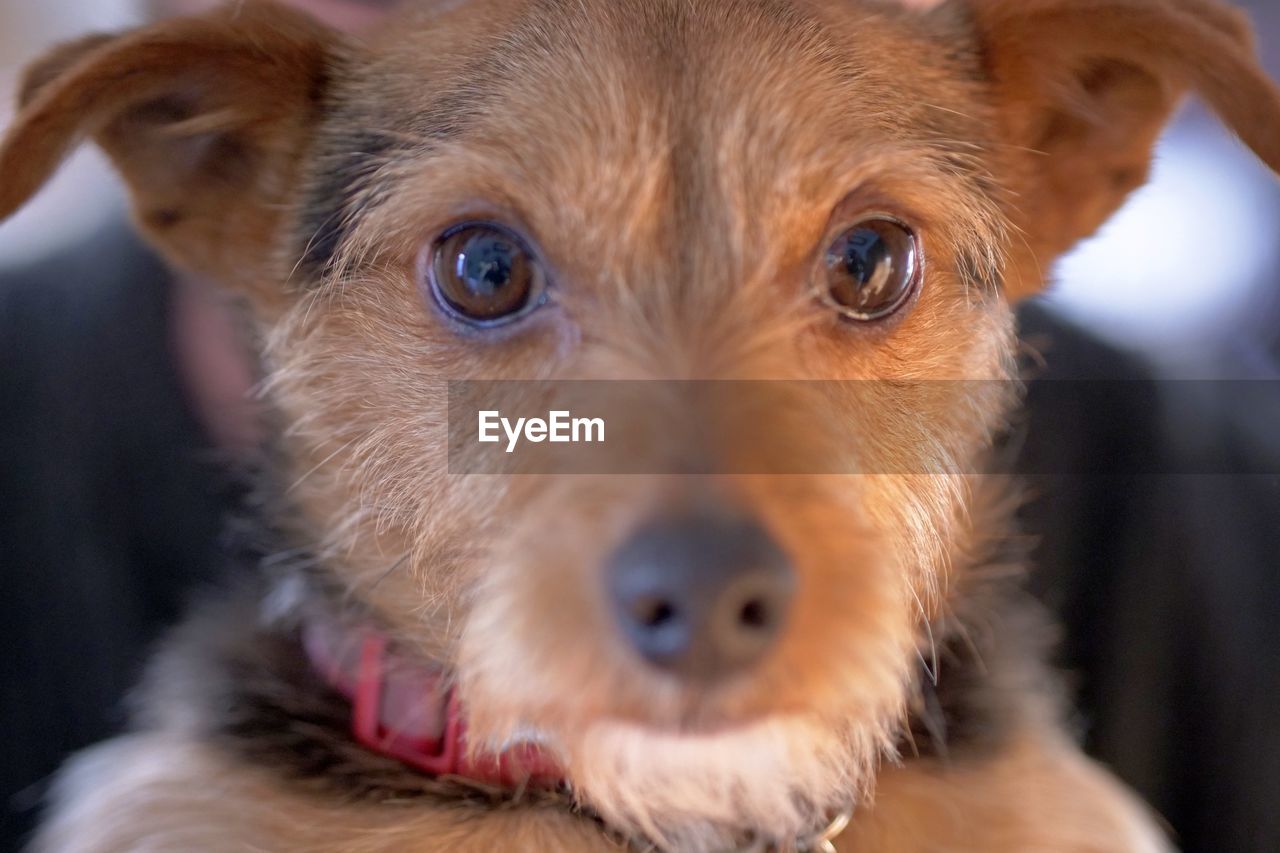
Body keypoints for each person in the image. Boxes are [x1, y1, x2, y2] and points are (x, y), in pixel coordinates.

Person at [1, 1, 1277, 850]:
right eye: (486, 273)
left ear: (1062, 148)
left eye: (864, 269)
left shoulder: (1214, 521)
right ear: (211, 171)